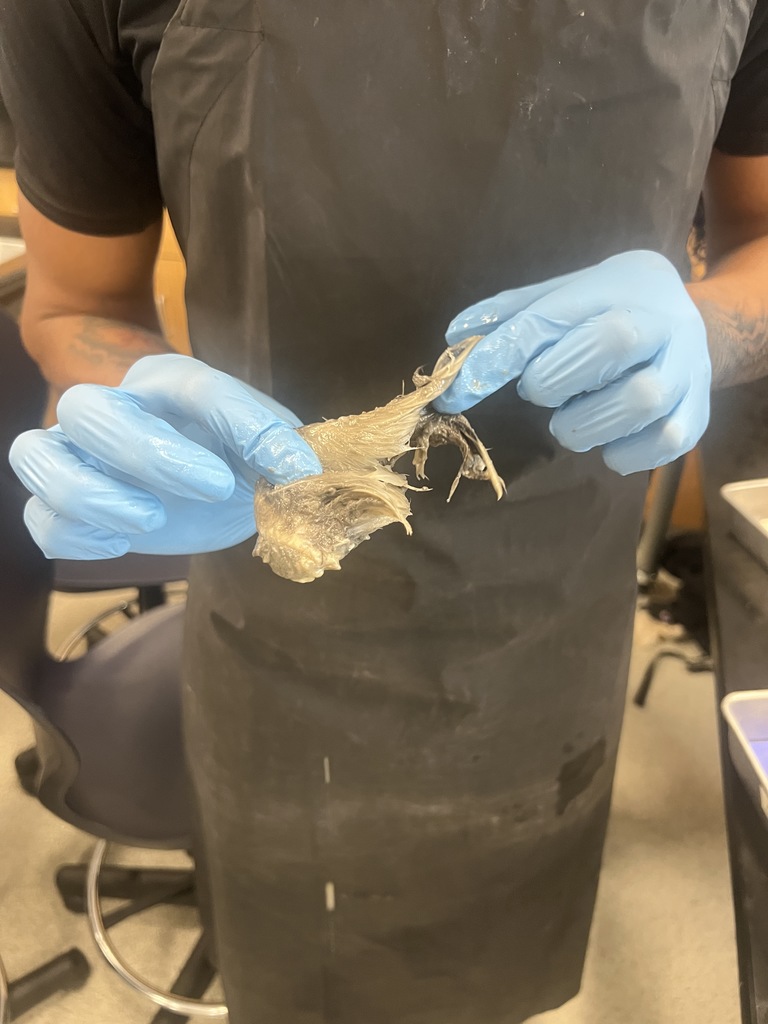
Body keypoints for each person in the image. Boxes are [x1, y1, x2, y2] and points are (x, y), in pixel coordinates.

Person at [1, 2, 767, 1020]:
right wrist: (138, 414)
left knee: (497, 960)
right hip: (279, 624)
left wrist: (706, 332)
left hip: (555, 629)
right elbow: (75, 303)